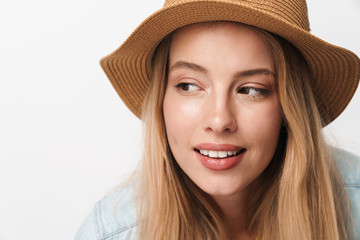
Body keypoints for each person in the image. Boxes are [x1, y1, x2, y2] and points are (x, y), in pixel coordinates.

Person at [75, 0, 360, 239]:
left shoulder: (354, 204)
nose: (219, 119)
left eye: (251, 90)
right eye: (189, 85)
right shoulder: (112, 233)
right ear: (161, 99)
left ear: (289, 108)